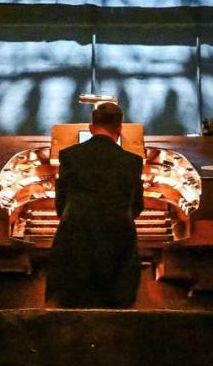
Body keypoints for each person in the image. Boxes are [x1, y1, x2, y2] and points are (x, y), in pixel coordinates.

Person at [46, 102, 144, 308]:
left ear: (91, 127)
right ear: (120, 128)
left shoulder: (69, 156)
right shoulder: (132, 161)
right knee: (116, 306)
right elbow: (137, 206)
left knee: (72, 305)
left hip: (75, 240)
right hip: (117, 244)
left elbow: (60, 204)